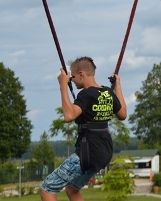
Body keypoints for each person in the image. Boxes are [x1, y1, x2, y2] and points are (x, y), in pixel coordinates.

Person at [40, 57, 127, 201]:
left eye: (73, 77)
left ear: (81, 74)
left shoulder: (85, 94)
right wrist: (117, 85)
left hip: (88, 152)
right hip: (104, 151)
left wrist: (63, 85)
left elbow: (69, 116)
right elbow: (122, 114)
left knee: (46, 189)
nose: (72, 81)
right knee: (72, 189)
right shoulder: (108, 92)